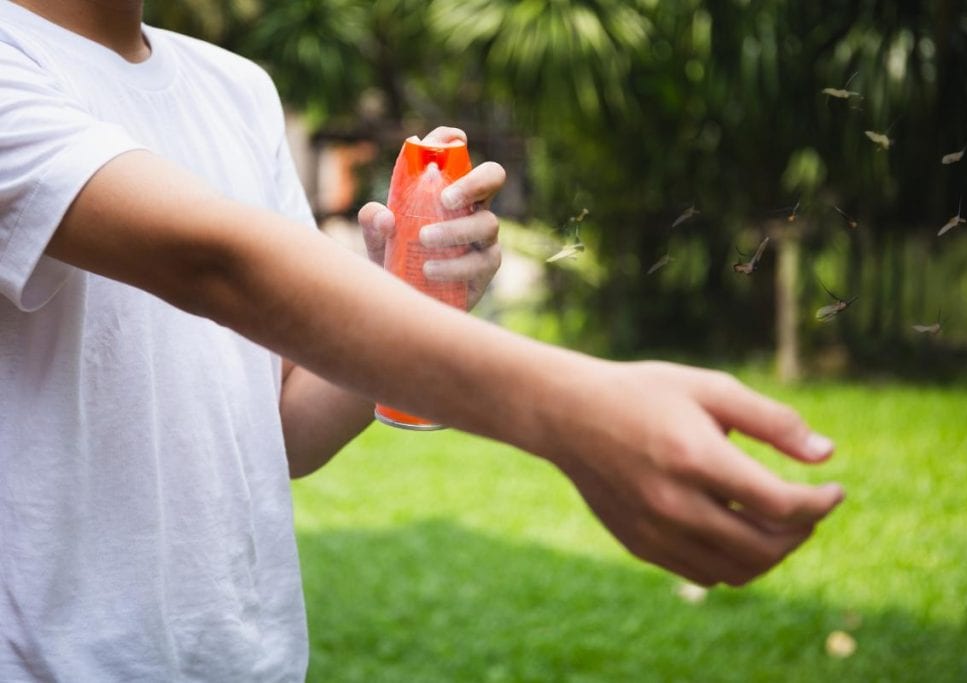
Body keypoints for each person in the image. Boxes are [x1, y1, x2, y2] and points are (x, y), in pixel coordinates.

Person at [0, 1, 845, 680]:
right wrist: (576, 410)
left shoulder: (237, 88)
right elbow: (218, 265)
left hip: (248, 659)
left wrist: (413, 293)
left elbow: (281, 428)